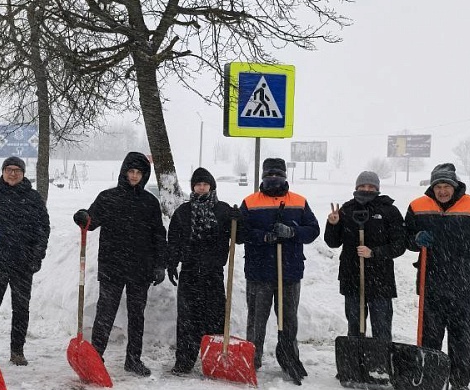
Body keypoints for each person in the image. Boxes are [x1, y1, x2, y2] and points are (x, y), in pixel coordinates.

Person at [404, 163, 470, 390]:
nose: (443, 191)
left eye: (447, 186)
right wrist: (416, 239)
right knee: (430, 335)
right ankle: (430, 376)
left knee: (461, 336)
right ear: (432, 187)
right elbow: (404, 238)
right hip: (431, 282)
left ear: (455, 186)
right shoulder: (418, 206)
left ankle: (459, 381)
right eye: (438, 186)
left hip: (465, 283)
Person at [72, 152, 167, 376]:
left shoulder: (150, 202)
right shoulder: (108, 197)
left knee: (137, 315)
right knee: (105, 313)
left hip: (141, 269)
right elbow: (92, 221)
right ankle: (95, 357)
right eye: (130, 172)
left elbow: (158, 235)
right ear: (124, 172)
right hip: (112, 266)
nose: (134, 176)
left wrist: (160, 264)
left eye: (138, 173)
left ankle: (133, 359)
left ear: (143, 176)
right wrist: (83, 217)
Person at [238, 158, 320, 371]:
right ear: (263, 177)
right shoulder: (250, 202)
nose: (273, 179)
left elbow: (313, 230)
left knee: (289, 320)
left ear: (285, 177)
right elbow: (240, 233)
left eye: (277, 175)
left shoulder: (299, 202)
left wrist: (293, 232)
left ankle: (289, 357)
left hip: (289, 272)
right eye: (269, 175)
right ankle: (252, 359)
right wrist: (264, 237)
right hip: (259, 272)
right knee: (256, 321)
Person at [166, 168, 241, 374]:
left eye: (205, 184)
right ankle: (184, 360)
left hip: (213, 273)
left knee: (215, 317)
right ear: (193, 187)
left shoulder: (223, 211)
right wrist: (171, 263)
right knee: (187, 319)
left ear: (211, 186)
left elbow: (239, 237)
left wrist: (238, 221)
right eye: (198, 184)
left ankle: (215, 360)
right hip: (189, 272)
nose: (201, 187)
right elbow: (173, 240)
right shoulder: (183, 211)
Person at [0, 156, 50, 366]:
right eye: (9, 169)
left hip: (23, 264)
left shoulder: (33, 198)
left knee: (21, 308)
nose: (13, 173)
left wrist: (36, 257)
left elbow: (43, 229)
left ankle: (17, 350)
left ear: (23, 173)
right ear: (2, 172)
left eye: (17, 170)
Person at [324, 171, 406, 341]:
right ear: (356, 187)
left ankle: (381, 362)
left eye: (371, 186)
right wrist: (332, 224)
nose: (366, 189)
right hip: (352, 277)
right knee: (354, 327)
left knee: (381, 327)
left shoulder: (389, 211)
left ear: (377, 188)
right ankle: (355, 363)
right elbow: (333, 242)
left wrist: (374, 253)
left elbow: (399, 245)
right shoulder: (346, 209)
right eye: (362, 186)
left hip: (380, 280)